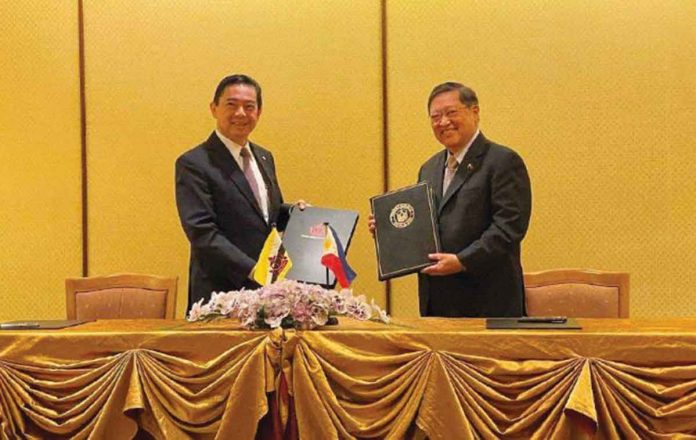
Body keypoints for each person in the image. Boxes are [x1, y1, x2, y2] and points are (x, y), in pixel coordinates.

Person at [370, 82, 531, 317]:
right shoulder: (429, 168)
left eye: (451, 113)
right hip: (437, 302)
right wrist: (389, 231)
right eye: (435, 116)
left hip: (487, 302)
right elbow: (424, 225)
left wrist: (462, 261)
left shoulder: (502, 161)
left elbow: (509, 228)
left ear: (474, 112)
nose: (443, 122)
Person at [176, 74, 299, 311]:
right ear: (214, 109)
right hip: (219, 295)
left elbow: (265, 217)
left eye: (249, 107)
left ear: (258, 113)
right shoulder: (194, 163)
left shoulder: (264, 157)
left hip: (265, 294)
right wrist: (253, 270)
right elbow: (202, 233)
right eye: (231, 105)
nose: (240, 113)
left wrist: (297, 214)